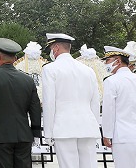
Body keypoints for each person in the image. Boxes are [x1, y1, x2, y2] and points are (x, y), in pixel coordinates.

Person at [41, 33, 100, 168]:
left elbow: (49, 103)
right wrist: (95, 125)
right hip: (88, 126)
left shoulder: (50, 69)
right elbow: (95, 102)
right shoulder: (88, 70)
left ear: (55, 48)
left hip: (63, 127)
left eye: (50, 48)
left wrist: (48, 132)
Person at [0, 39, 42, 168]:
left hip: (1, 135)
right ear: (15, 58)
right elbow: (35, 107)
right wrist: (36, 132)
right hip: (24, 135)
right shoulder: (27, 79)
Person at [101, 46, 136, 168]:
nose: (105, 64)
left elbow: (108, 110)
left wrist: (107, 134)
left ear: (118, 61)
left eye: (107, 60)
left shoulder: (111, 81)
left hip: (124, 136)